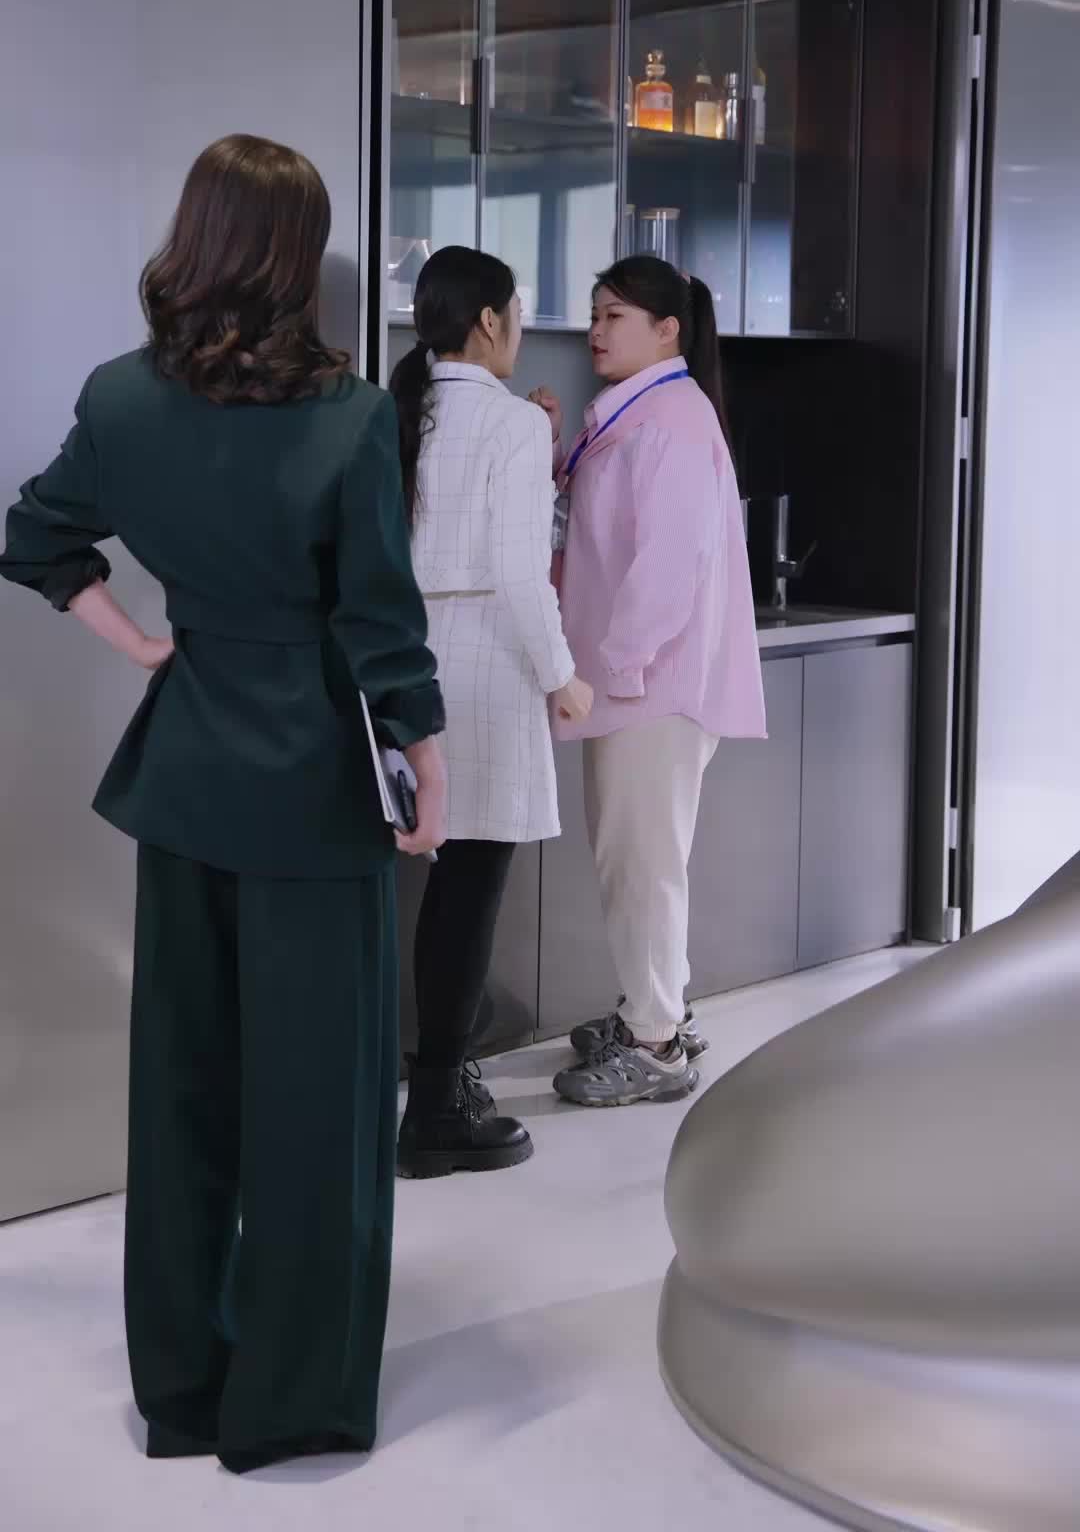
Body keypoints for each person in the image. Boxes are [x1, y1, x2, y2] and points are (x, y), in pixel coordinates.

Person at [0, 135, 447, 1472]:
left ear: (194, 240)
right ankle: (293, 1397)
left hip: (188, 779)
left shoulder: (120, 399)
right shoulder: (353, 418)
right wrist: (428, 769)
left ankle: (185, 1390)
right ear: (294, 258)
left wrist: (145, 646)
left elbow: (35, 536)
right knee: (319, 1105)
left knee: (185, 1093)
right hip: (314, 791)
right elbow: (381, 627)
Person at [530, 256, 765, 1107]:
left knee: (641, 864)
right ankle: (654, 1010)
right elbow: (596, 530)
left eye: (614, 316)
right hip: (634, 683)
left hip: (647, 686)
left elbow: (670, 563)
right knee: (640, 857)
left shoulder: (672, 419)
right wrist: (554, 452)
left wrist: (618, 666)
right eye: (595, 314)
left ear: (668, 330)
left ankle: (657, 1044)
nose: (595, 331)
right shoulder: (640, 412)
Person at [389, 245, 592, 1177]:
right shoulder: (510, 425)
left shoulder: (393, 410)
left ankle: (420, 1083)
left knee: (410, 888)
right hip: (483, 668)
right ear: (487, 321)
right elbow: (518, 573)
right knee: (467, 896)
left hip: (398, 662)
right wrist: (562, 675)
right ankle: (437, 1107)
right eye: (515, 313)